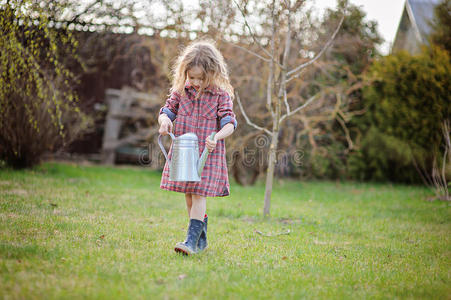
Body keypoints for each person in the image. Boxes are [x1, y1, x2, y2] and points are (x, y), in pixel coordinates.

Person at [158, 40, 237, 255]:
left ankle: (190, 242)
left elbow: (229, 123)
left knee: (199, 194)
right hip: (184, 152)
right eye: (191, 77)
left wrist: (218, 137)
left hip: (206, 153)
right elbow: (167, 111)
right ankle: (201, 240)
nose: (194, 82)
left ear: (212, 73)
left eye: (200, 78)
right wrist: (164, 121)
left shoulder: (221, 95)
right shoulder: (181, 92)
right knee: (189, 195)